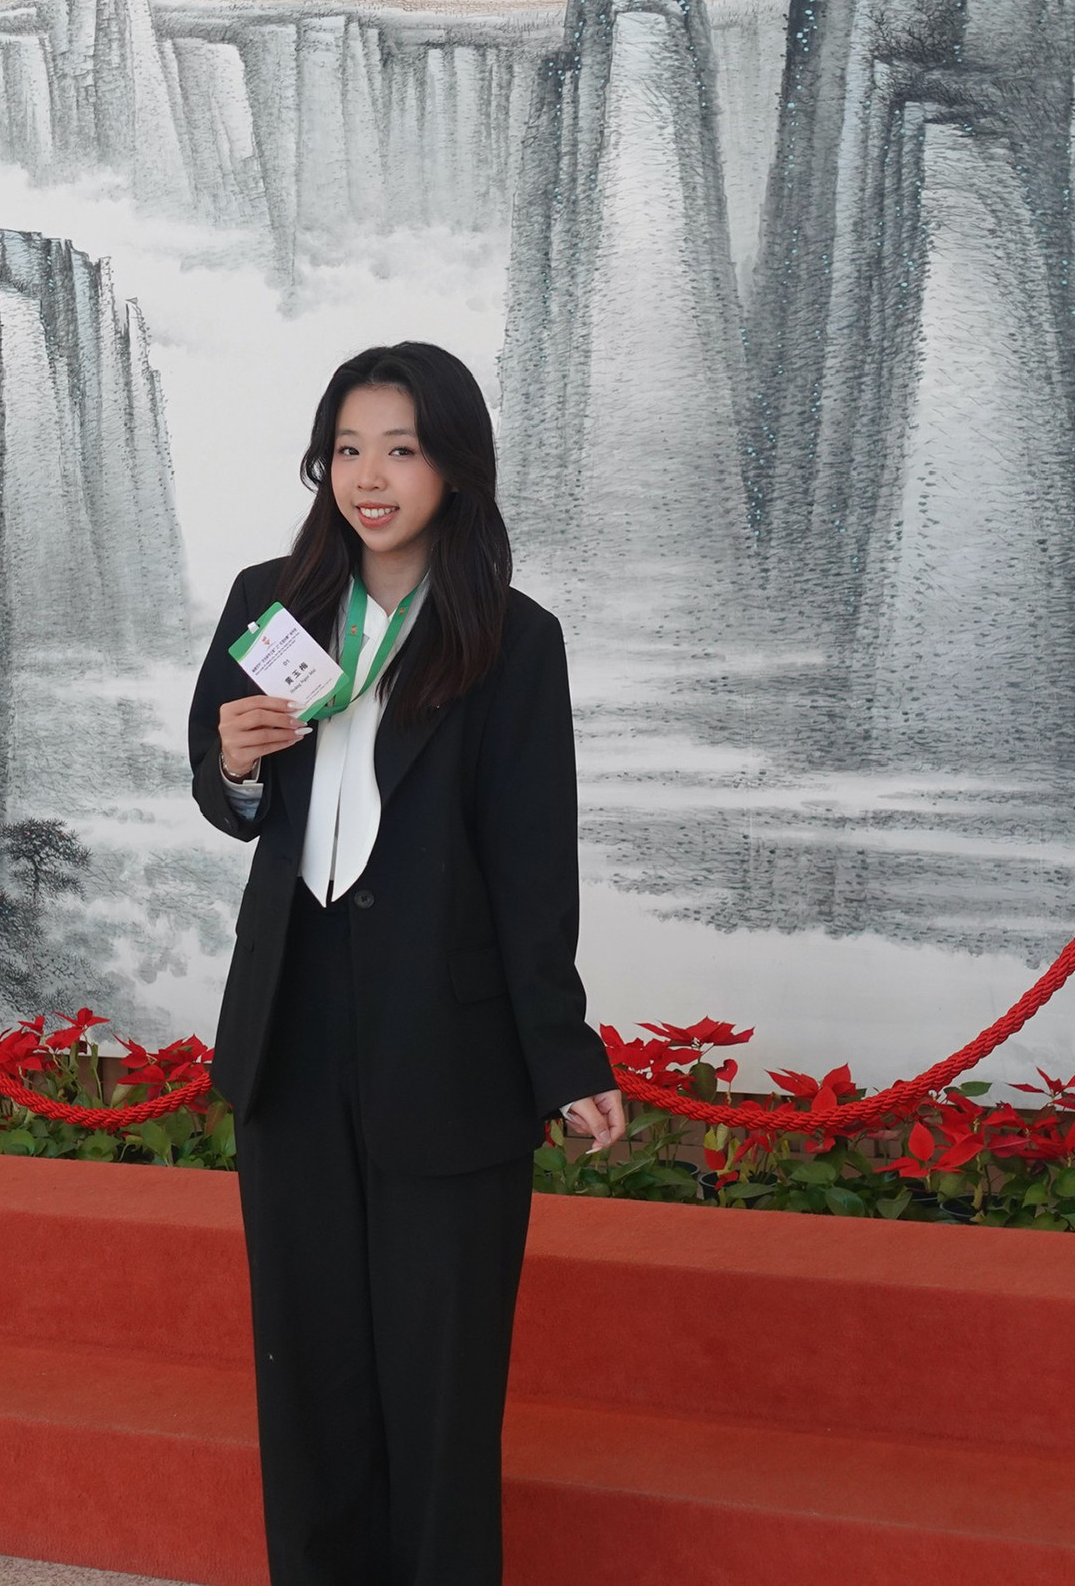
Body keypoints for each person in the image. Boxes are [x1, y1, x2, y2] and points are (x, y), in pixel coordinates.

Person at [187, 340, 625, 1586]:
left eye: (401, 449)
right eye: (347, 449)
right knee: (309, 1367)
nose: (369, 477)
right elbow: (225, 795)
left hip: (451, 1040)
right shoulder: (270, 602)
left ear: (454, 467)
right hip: (293, 1020)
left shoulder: (511, 639)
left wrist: (562, 1055)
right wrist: (235, 762)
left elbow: (533, 867)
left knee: (441, 1381)